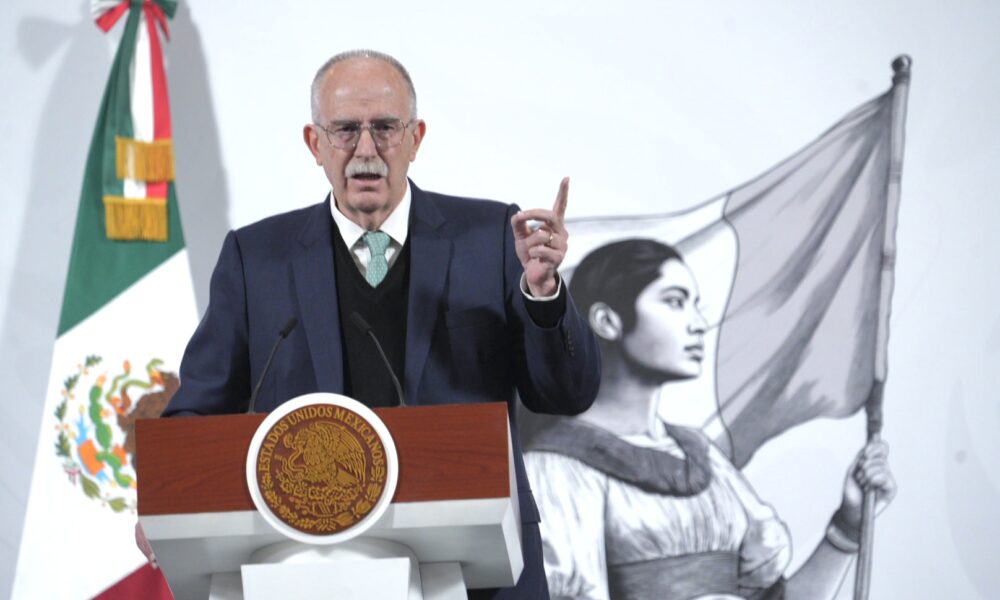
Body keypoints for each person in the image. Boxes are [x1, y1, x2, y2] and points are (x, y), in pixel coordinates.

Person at [160, 49, 601, 598]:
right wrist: (167, 496)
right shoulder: (258, 258)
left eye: (385, 128)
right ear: (314, 143)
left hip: (478, 569)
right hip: (309, 570)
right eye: (345, 130)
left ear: (416, 138)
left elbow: (567, 393)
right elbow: (198, 409)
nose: (365, 150)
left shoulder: (490, 237)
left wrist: (543, 295)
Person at [524, 239, 896, 600]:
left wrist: (848, 527)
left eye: (695, 306)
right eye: (675, 302)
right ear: (607, 321)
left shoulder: (702, 457)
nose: (699, 324)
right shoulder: (556, 469)